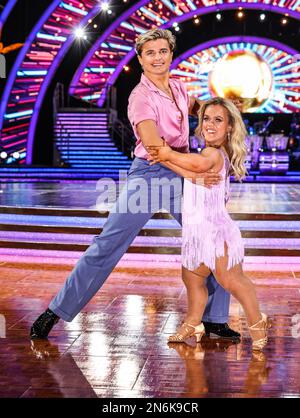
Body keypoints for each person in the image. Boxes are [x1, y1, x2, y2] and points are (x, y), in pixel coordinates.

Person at [30, 29, 240, 340]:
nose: (158, 57)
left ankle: (214, 318)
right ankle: (56, 311)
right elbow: (156, 150)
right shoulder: (140, 97)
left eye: (163, 51)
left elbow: (202, 108)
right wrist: (192, 174)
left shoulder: (179, 88)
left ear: (171, 54)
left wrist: (222, 112)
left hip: (182, 168)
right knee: (108, 243)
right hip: (149, 174)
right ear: (141, 59)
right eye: (150, 53)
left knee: (214, 236)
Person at [147, 97, 270, 351]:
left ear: (229, 128)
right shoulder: (207, 152)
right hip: (197, 235)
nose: (210, 124)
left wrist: (167, 152)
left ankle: (258, 322)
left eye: (218, 120)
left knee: (233, 280)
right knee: (192, 278)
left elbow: (197, 164)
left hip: (216, 234)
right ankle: (194, 322)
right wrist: (164, 158)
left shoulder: (212, 153)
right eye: (206, 118)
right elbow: (188, 171)